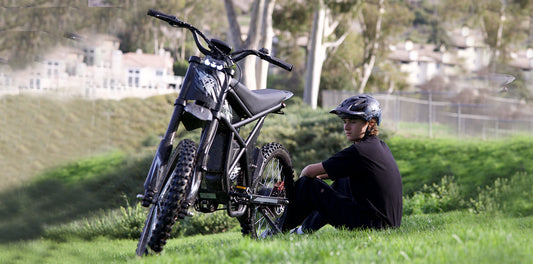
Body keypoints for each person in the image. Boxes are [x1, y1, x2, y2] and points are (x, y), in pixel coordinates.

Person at [278, 94, 402, 234]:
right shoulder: (379, 146)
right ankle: (304, 230)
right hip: (385, 224)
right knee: (342, 181)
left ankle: (276, 230)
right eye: (344, 121)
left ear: (371, 123)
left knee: (308, 184)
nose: (346, 127)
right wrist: (320, 178)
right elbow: (333, 172)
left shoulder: (359, 151)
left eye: (353, 122)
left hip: (370, 225)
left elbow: (308, 171)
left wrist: (296, 187)